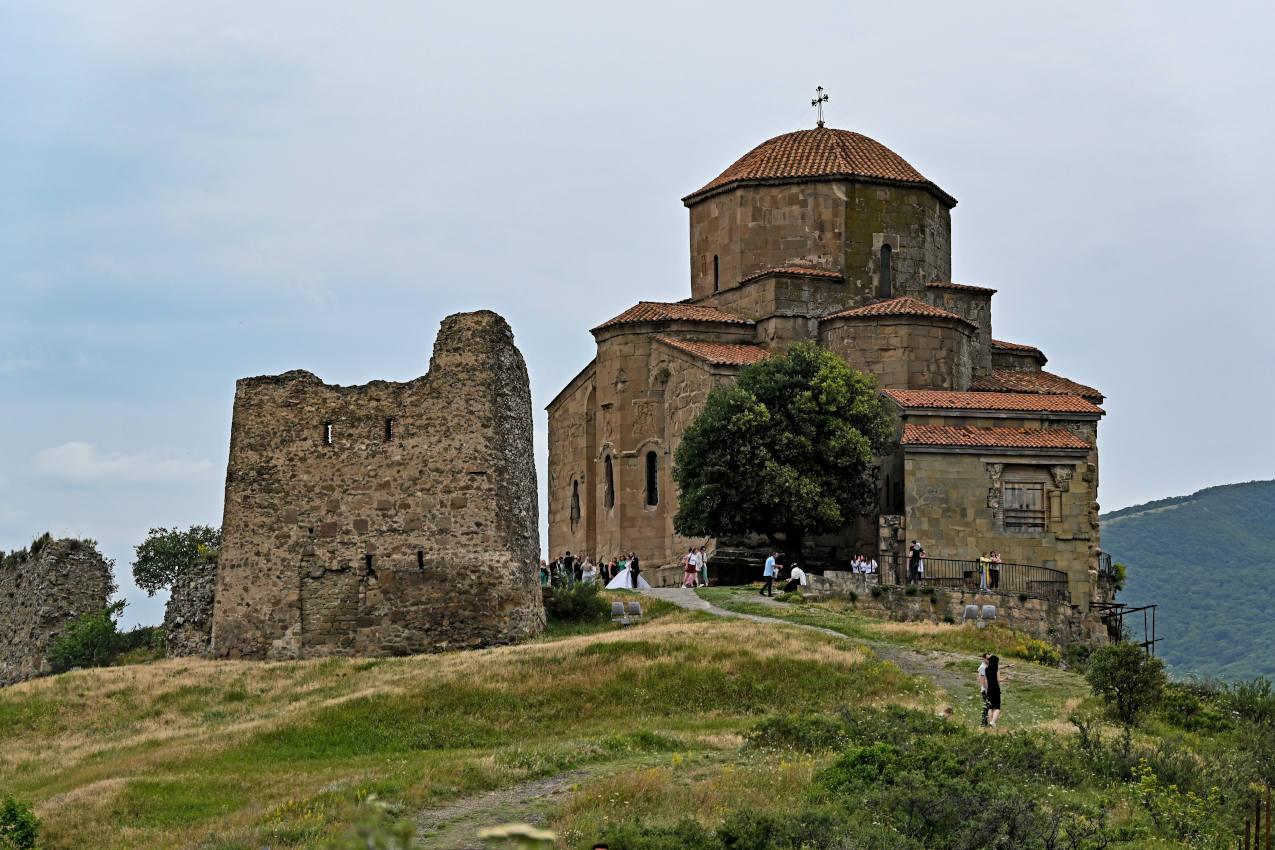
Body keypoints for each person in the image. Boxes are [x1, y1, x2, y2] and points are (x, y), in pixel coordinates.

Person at [985, 654, 1012, 727]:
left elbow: (999, 667)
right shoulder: (997, 669)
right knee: (997, 708)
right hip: (996, 689)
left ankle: (990, 723)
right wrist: (1005, 678)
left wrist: (1008, 665)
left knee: (990, 707)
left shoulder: (986, 669)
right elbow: (998, 680)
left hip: (989, 689)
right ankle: (992, 722)